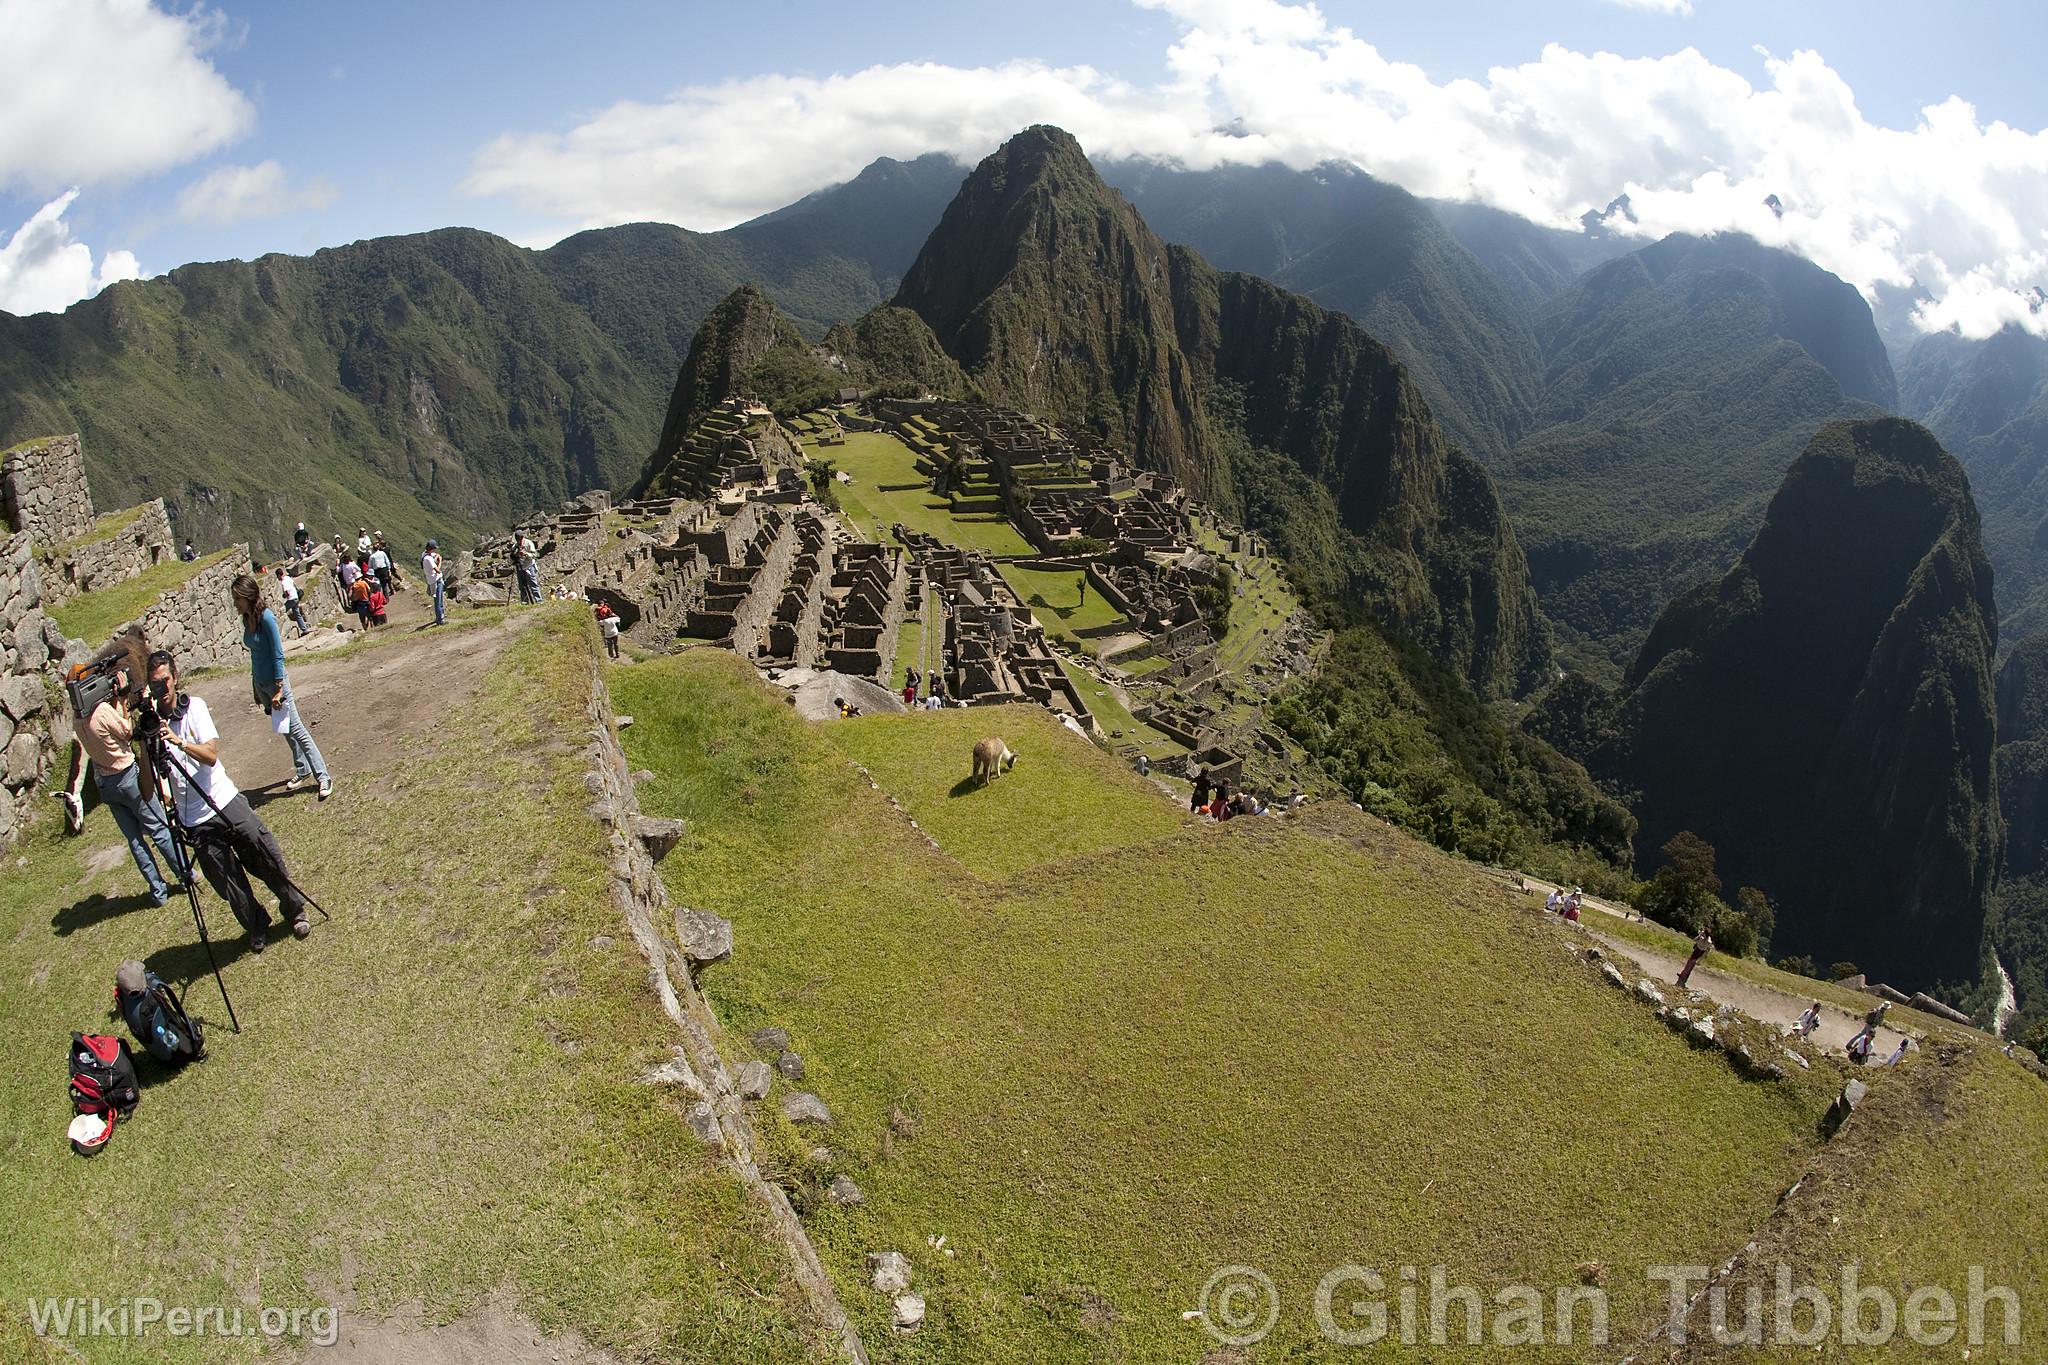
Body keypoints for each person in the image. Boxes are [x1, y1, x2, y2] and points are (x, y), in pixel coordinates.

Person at [139, 649, 313, 953]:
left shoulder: (194, 707)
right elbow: (146, 792)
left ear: (175, 678)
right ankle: (257, 923)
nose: (161, 689)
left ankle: (294, 908)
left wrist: (178, 741)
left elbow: (210, 756)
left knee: (265, 853)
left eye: (165, 681)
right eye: (155, 684)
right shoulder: (152, 732)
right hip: (193, 819)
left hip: (224, 799)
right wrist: (144, 745)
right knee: (227, 881)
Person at [68, 646, 182, 905]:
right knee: (158, 827)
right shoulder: (102, 713)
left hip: (105, 784)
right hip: (128, 777)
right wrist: (120, 700)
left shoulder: (77, 721)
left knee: (134, 840)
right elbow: (128, 730)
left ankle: (158, 892)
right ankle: (185, 874)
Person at [232, 573, 331, 800]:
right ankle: (302, 768)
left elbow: (278, 654)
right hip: (262, 683)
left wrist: (278, 688)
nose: (235, 604)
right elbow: (256, 656)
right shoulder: (246, 619)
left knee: (296, 729)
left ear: (248, 596)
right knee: (284, 728)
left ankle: (323, 776)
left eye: (238, 599)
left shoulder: (266, 618)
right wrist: (256, 687)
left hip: (276, 683)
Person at [275, 566, 309, 636]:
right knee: (297, 614)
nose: (277, 578)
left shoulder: (283, 582)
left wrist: (284, 595)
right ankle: (305, 630)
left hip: (291, 599)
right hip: (296, 597)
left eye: (277, 576)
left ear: (279, 575)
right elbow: (294, 584)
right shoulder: (287, 577)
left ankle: (278, 632)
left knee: (282, 611)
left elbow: (287, 593)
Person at [421, 539, 446, 626]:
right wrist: (440, 561)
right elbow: (438, 570)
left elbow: (433, 555)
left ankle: (440, 616)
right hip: (435, 580)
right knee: (439, 601)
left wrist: (436, 556)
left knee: (438, 600)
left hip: (431, 580)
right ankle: (440, 620)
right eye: (433, 549)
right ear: (430, 548)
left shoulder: (424, 554)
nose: (434, 551)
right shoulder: (428, 559)